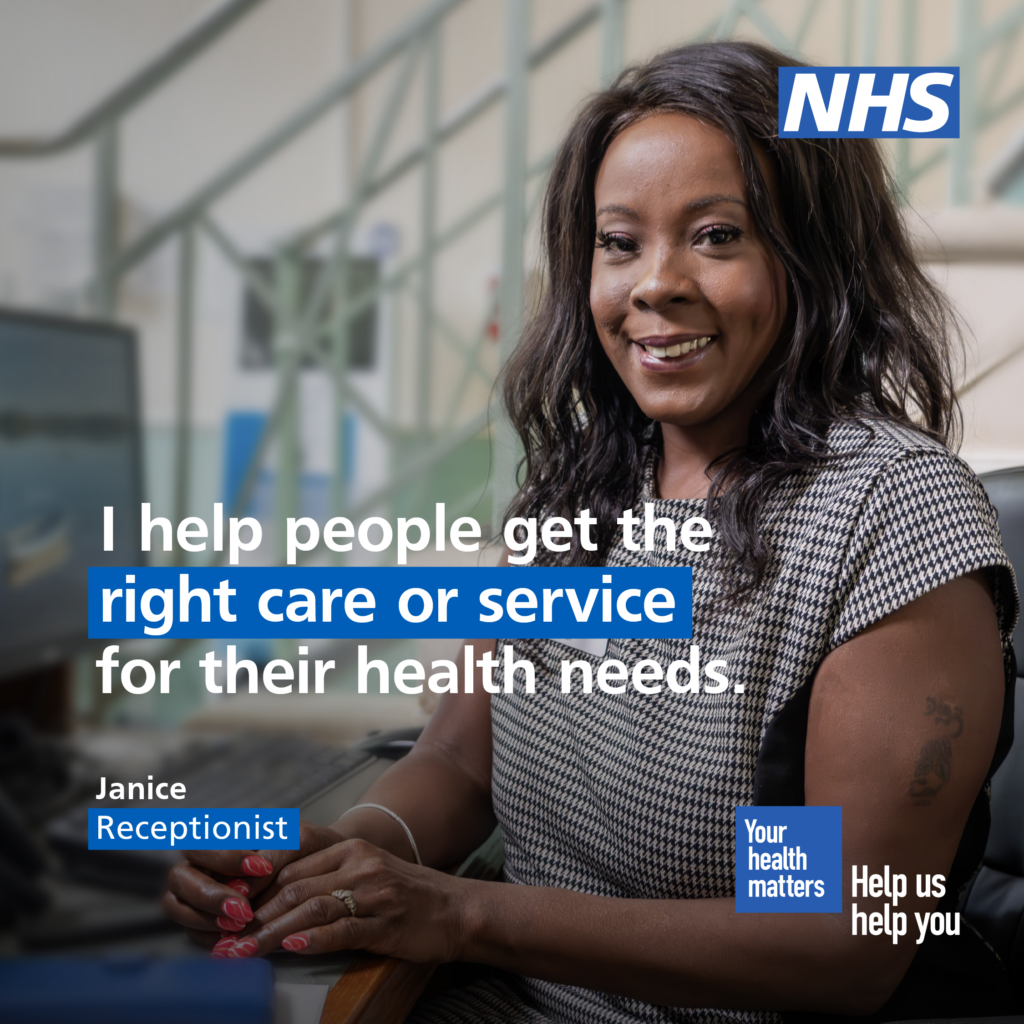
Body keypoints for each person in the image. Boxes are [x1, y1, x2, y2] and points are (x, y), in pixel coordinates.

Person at [163, 41, 1019, 1022]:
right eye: (619, 243)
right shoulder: (579, 489)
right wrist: (347, 856)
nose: (653, 283)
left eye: (717, 235)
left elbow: (836, 939)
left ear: (814, 262)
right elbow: (457, 761)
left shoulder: (884, 516)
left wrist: (466, 914)